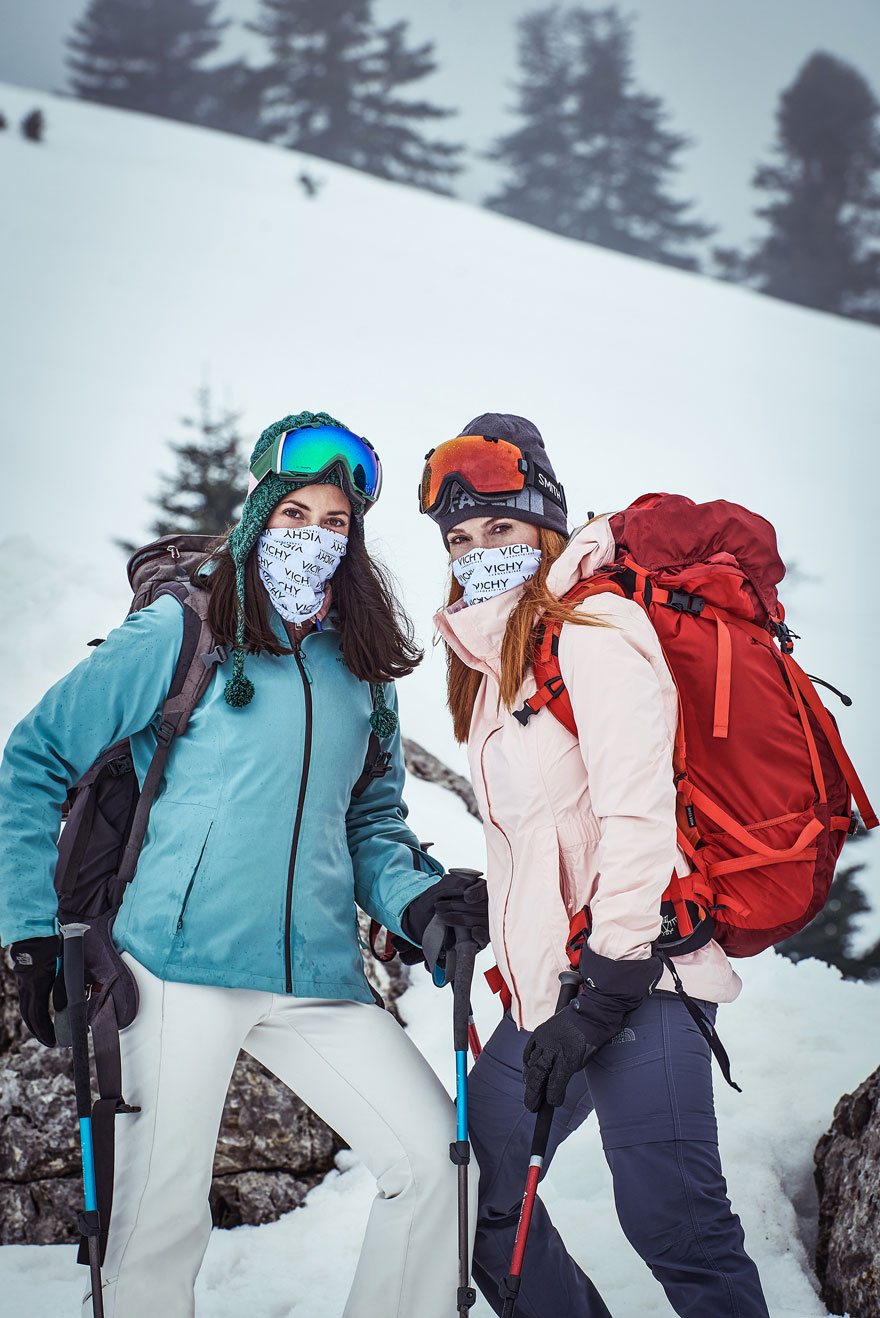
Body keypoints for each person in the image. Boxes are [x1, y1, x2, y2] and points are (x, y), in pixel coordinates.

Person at [0, 410, 486, 1318]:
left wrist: (419, 902)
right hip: (176, 968)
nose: (315, 537)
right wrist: (30, 931)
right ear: (259, 513)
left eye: (336, 522)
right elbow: (33, 761)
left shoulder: (362, 665)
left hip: (318, 975)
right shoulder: (181, 632)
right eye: (296, 514)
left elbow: (370, 822)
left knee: (437, 1166)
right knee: (157, 1227)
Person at [418, 412, 770, 1317]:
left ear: (545, 526)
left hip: (638, 983)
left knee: (678, 1229)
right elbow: (551, 827)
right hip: (553, 994)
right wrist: (491, 900)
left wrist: (608, 990)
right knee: (475, 1194)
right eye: (460, 539)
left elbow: (635, 817)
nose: (479, 552)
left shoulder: (595, 629)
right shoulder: (497, 666)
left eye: (501, 527)